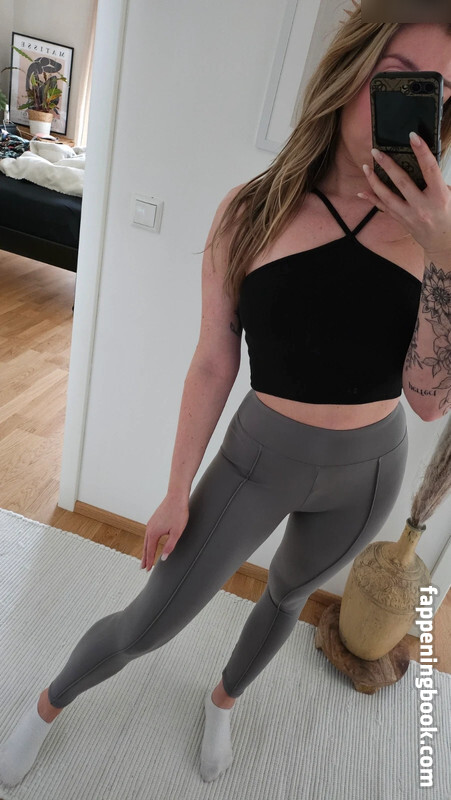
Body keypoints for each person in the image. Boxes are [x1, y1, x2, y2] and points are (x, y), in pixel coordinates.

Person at [1, 13, 451, 789]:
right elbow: (213, 360)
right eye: (399, 76)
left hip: (371, 467)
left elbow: (427, 401)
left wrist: (442, 252)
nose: (414, 107)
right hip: (258, 457)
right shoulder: (252, 210)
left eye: (438, 92)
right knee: (148, 621)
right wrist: (176, 488)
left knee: (287, 596)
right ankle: (45, 706)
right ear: (347, 73)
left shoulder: (434, 236)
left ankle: (222, 701)